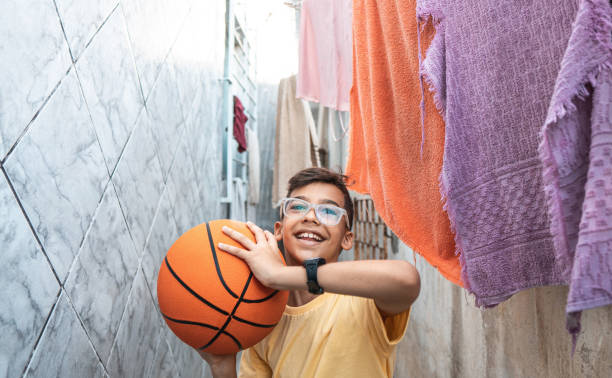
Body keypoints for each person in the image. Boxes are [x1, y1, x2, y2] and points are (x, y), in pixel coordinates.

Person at [199, 167, 420, 377]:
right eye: (297, 206)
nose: (311, 217)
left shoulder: (363, 301)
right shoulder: (262, 320)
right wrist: (222, 368)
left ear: (346, 239)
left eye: (329, 211)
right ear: (279, 229)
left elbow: (406, 279)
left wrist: (277, 276)